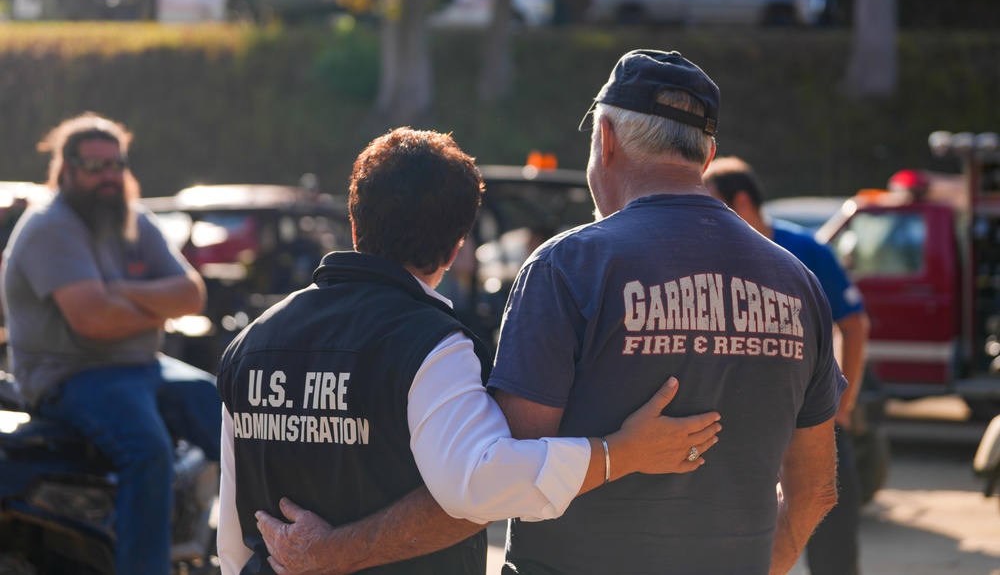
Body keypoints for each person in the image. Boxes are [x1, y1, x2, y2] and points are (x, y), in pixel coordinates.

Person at [220, 127, 722, 575]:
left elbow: (233, 534)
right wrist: (621, 453)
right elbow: (481, 483)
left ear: (355, 224)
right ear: (457, 247)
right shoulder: (429, 345)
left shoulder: (249, 345)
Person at [480, 49, 843, 574]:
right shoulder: (797, 282)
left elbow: (512, 474)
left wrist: (614, 454)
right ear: (708, 153)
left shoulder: (568, 266)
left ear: (605, 138)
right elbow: (816, 491)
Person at [0, 112, 223, 575]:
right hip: (70, 375)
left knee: (226, 410)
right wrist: (148, 305)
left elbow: (192, 294)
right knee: (148, 447)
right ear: (66, 169)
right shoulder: (51, 226)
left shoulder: (132, 220)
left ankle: (265, 546)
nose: (108, 176)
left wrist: (116, 291)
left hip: (141, 363)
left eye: (116, 164)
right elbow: (93, 322)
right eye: (94, 165)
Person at [704, 156, 870, 575]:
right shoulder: (710, 255)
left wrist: (843, 406)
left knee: (831, 536)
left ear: (741, 202)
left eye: (711, 202)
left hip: (813, 417)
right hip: (741, 426)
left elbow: (854, 324)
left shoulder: (805, 251)